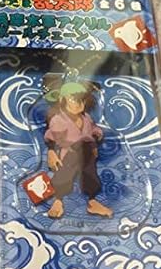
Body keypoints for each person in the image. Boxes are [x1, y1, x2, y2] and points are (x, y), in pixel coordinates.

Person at [44, 81, 113, 219]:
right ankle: (58, 201)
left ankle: (92, 202)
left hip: (87, 151)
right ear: (62, 100)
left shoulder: (86, 118)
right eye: (73, 99)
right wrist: (51, 152)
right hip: (69, 152)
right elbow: (50, 137)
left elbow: (93, 129)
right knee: (64, 174)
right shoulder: (58, 120)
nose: (78, 104)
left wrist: (96, 138)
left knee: (90, 174)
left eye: (81, 100)